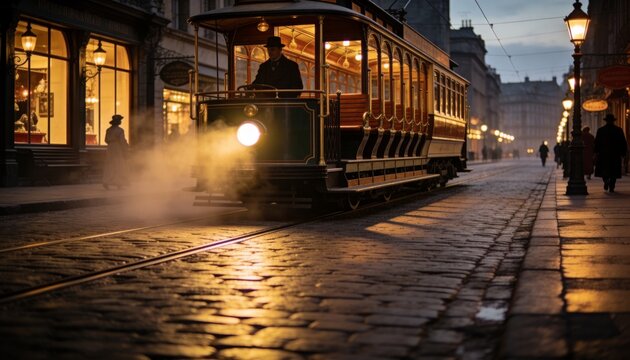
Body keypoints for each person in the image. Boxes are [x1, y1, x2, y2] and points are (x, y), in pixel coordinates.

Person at [594, 114, 628, 192]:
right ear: (613, 121)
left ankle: (606, 181)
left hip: (604, 154)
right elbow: (623, 142)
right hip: (615, 154)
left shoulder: (601, 130)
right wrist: (623, 153)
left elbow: (597, 143)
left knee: (604, 170)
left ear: (606, 121)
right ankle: (612, 185)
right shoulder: (619, 130)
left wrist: (596, 152)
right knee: (614, 171)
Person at [103, 114, 129, 190]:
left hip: (110, 148)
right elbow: (122, 141)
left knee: (109, 165)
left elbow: (106, 140)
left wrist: (111, 143)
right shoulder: (120, 130)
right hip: (117, 148)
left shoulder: (108, 130)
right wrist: (126, 147)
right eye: (120, 120)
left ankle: (106, 181)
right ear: (118, 122)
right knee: (119, 164)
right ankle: (119, 183)